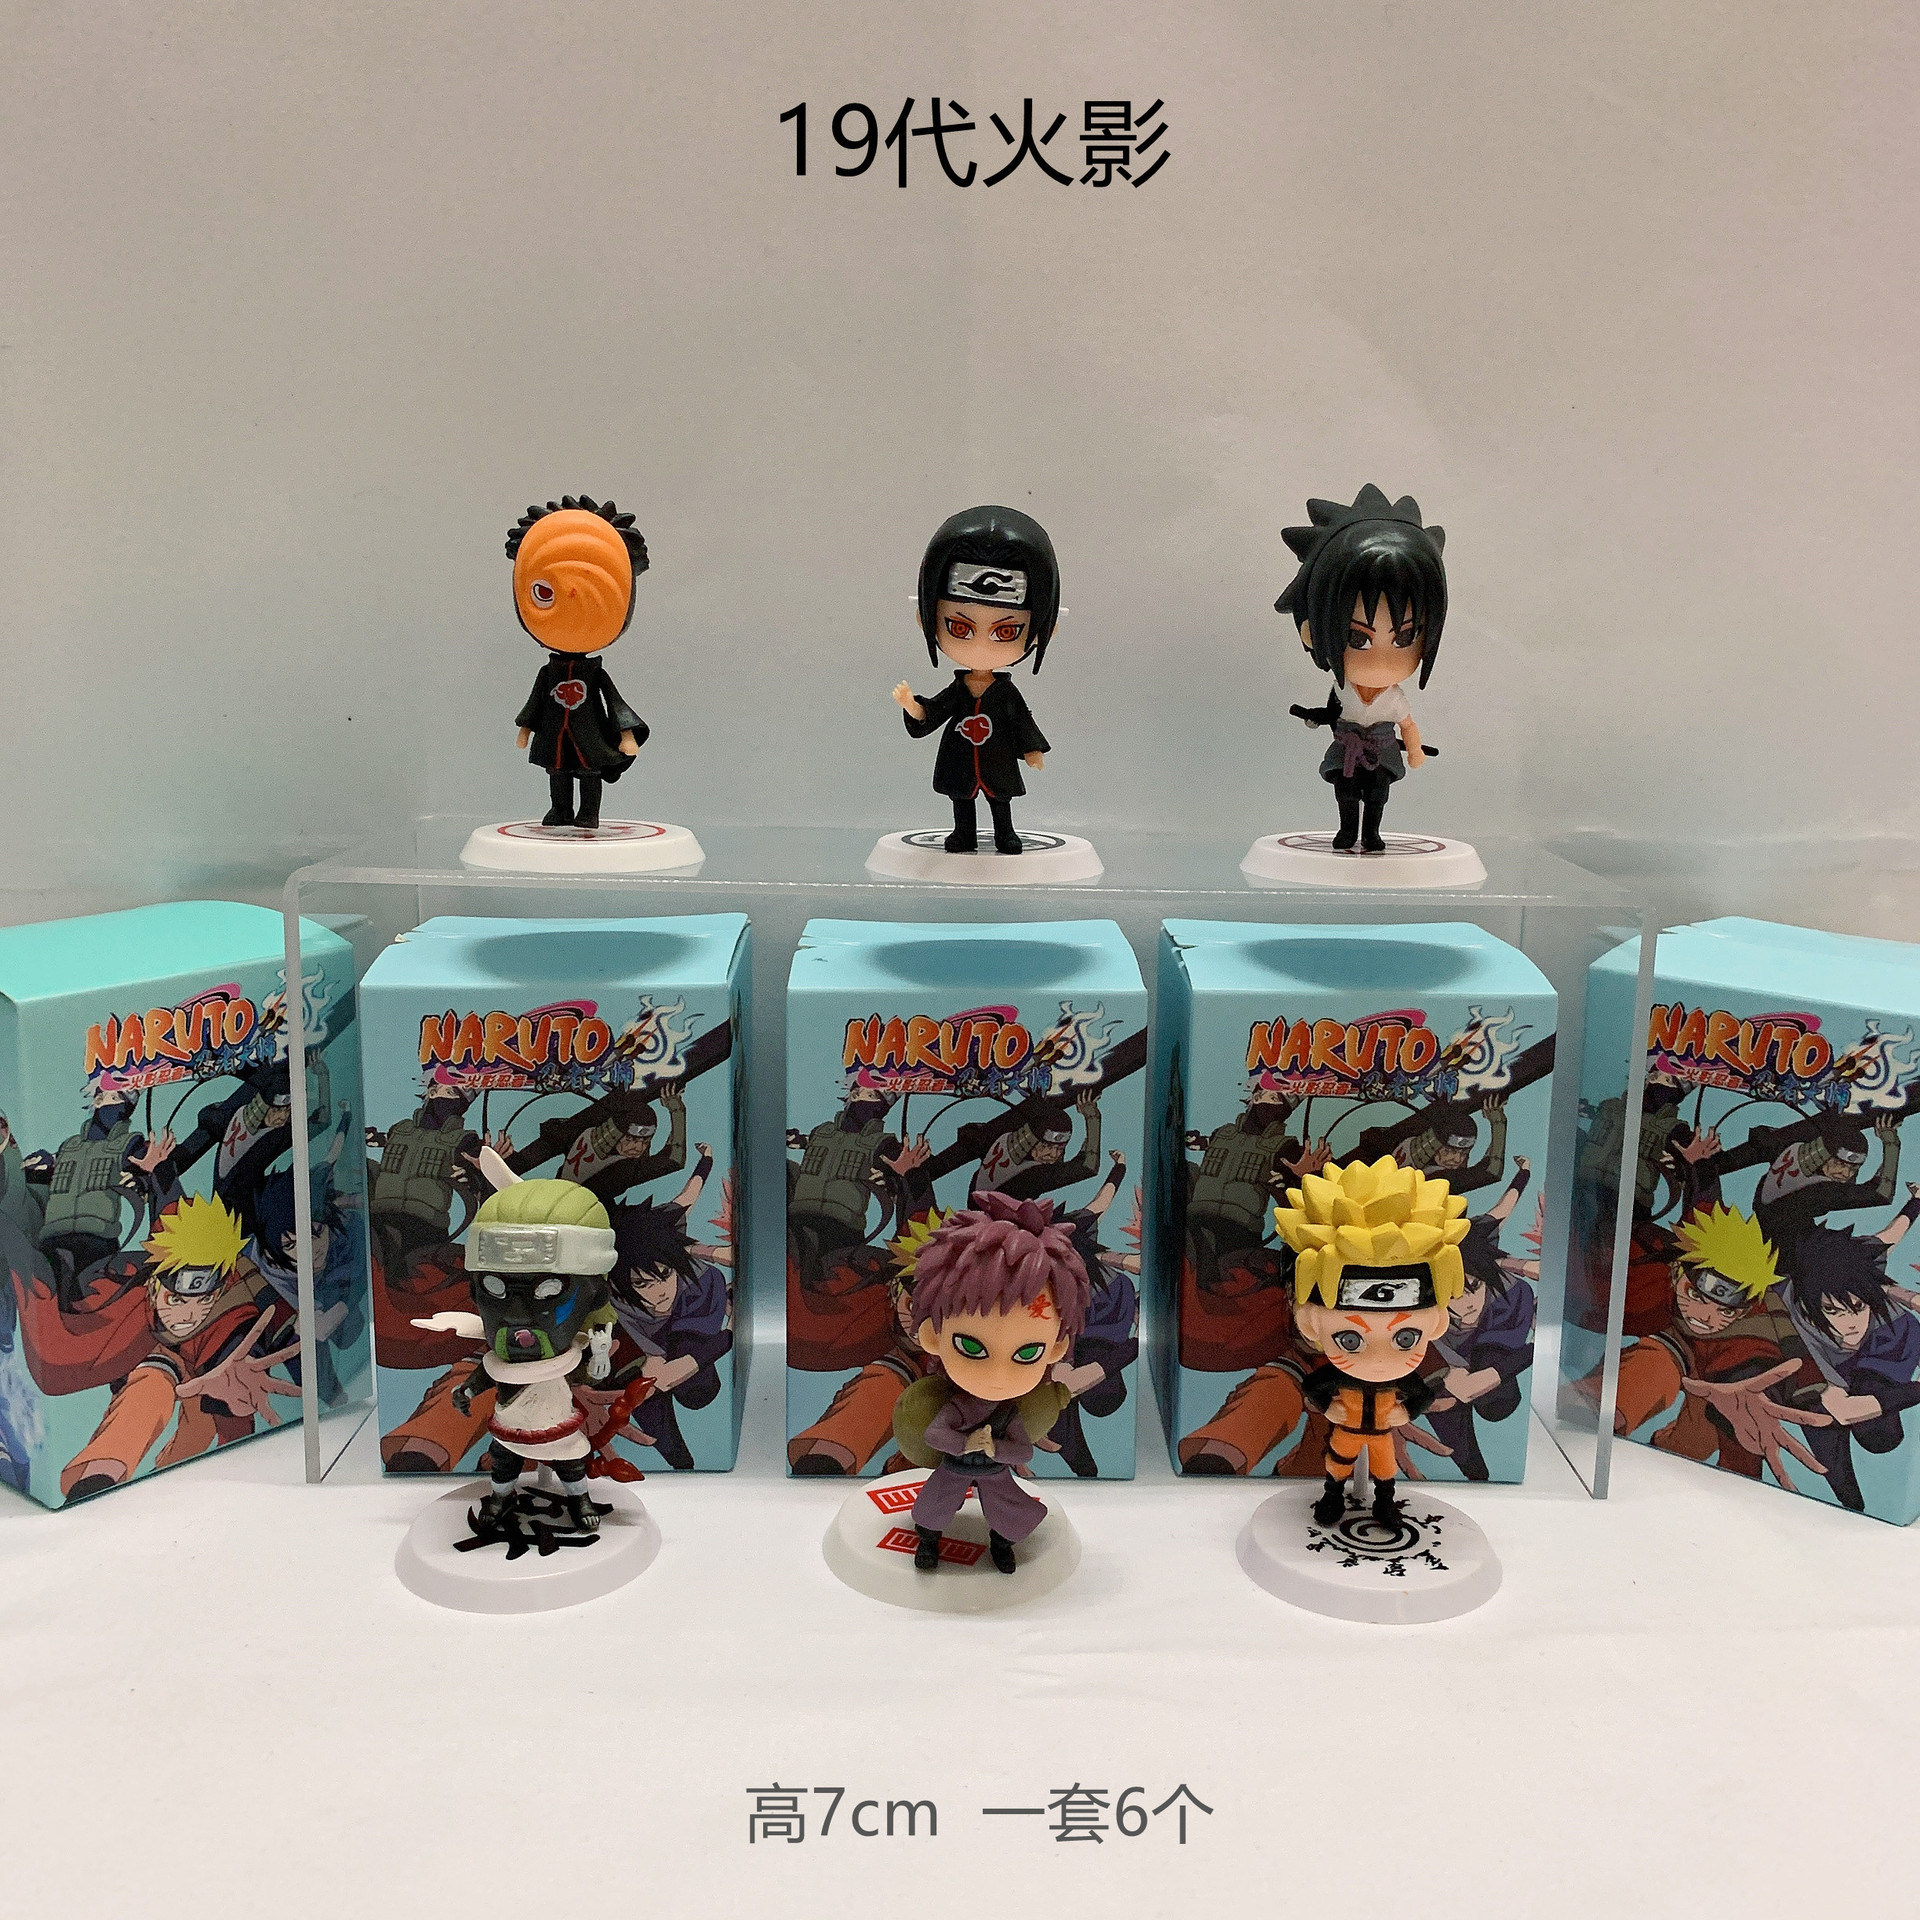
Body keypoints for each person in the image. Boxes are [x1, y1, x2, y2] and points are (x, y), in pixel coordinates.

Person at [891, 1192, 1088, 1573]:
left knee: (1010, 1513)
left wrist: (994, 1447)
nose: (999, 1376)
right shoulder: (958, 1406)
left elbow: (1023, 1451)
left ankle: (1001, 1544)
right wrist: (966, 1443)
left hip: (994, 1471)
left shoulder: (1009, 1412)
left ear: (1055, 1349)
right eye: (970, 1347)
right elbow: (935, 1434)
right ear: (934, 1337)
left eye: (1027, 1352)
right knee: (933, 1509)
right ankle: (928, 1540)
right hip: (954, 1467)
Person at [1270, 1156, 1470, 1526]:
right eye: (1350, 1339)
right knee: (1337, 1465)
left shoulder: (1402, 1379)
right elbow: (1314, 1387)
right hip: (1345, 1432)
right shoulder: (1336, 1373)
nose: (1379, 1357)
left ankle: (1385, 1504)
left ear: (1437, 1322)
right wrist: (1328, 1408)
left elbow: (1422, 1395)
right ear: (1310, 1323)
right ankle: (1333, 1498)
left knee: (1385, 1469)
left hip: (1381, 1435)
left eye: (1405, 1338)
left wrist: (1405, 1413)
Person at [1276, 484, 1448, 853]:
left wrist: (1414, 751)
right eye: (1358, 638)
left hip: (1382, 752)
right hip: (1346, 749)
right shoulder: (1342, 690)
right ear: (1312, 632)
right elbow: (1332, 713)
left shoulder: (1394, 699)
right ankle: (1346, 831)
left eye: (1405, 637)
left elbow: (1408, 725)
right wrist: (1314, 717)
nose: (1381, 661)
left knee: (1378, 794)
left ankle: (1371, 834)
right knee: (1346, 791)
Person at [891, 505, 1060, 855]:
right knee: (961, 798)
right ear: (926, 618)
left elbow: (1021, 720)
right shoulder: (958, 690)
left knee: (1000, 800)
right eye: (959, 627)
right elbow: (934, 712)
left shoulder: (1006, 694)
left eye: (1007, 632)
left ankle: (1005, 834)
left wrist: (1031, 749)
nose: (981, 646)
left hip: (997, 759)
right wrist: (911, 704)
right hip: (960, 758)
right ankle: (963, 834)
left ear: (1044, 630)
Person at [506, 495, 650, 829]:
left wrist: (626, 733)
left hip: (589, 736)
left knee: (588, 772)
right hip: (555, 735)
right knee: (557, 771)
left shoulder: (594, 673)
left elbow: (614, 701)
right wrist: (526, 728)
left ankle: (588, 813)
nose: (573, 601)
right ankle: (560, 810)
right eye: (544, 593)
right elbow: (536, 702)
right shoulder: (549, 672)